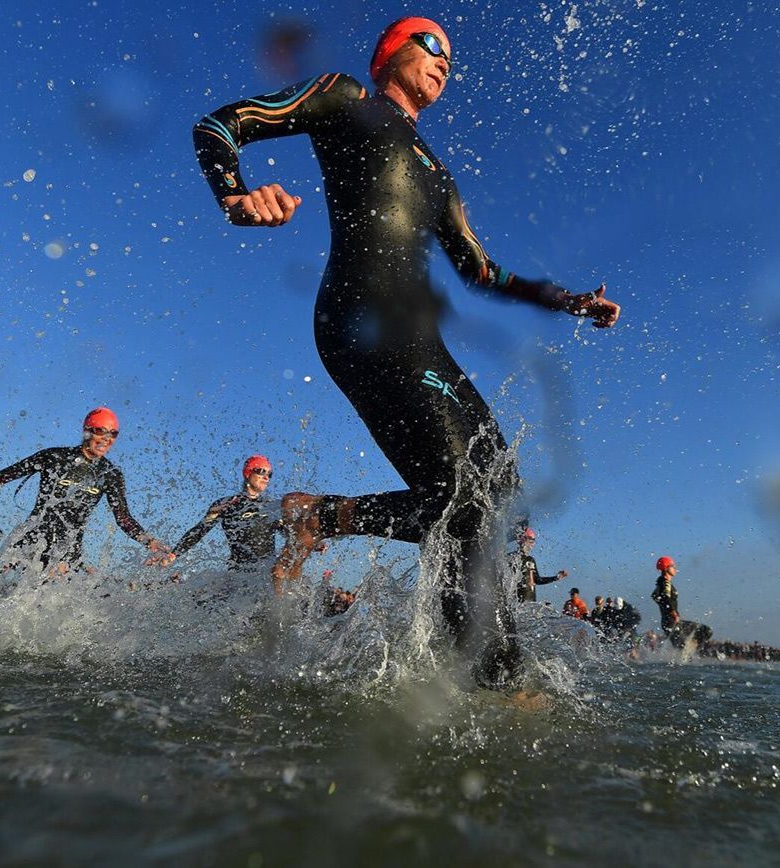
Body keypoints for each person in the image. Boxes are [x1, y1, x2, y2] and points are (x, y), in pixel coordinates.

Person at [193, 17, 619, 687]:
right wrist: (236, 197)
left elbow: (483, 273)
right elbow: (219, 125)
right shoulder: (346, 100)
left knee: (495, 492)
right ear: (392, 50)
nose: (445, 61)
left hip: (420, 338)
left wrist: (570, 301)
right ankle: (495, 687)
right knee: (463, 499)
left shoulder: (438, 174)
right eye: (432, 46)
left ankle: (325, 515)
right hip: (361, 322)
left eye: (451, 57)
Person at [0, 407, 168, 576]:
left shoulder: (111, 474)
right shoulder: (54, 457)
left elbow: (123, 518)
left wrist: (151, 543)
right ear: (87, 431)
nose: (106, 439)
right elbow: (3, 476)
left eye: (113, 434)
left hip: (67, 550)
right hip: (32, 538)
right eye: (100, 431)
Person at [152, 455, 281, 573]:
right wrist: (173, 554)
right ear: (248, 473)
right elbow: (199, 530)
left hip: (266, 574)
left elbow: (294, 536)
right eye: (262, 472)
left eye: (270, 474)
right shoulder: (226, 504)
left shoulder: (273, 506)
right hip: (238, 573)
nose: (266, 477)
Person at [512, 527, 569, 603]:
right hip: (517, 602)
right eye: (531, 540)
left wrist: (556, 577)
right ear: (522, 539)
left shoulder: (530, 560)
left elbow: (537, 580)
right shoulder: (513, 558)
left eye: (534, 541)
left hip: (530, 602)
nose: (533, 544)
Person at [651, 555, 679, 639]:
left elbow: (655, 596)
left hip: (668, 622)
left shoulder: (662, 583)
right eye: (673, 566)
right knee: (705, 631)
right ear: (666, 568)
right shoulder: (665, 583)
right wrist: (672, 612)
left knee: (680, 647)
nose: (675, 568)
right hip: (671, 621)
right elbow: (665, 597)